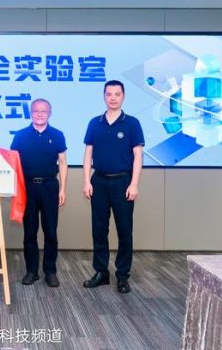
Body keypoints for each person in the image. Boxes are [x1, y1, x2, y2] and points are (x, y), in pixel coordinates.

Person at [82, 80, 144, 294]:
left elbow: (138, 156)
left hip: (123, 182)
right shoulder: (94, 123)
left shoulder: (132, 123)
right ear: (104, 96)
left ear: (123, 96)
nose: (113, 98)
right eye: (109, 94)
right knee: (99, 230)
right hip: (98, 182)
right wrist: (86, 181)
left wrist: (134, 184)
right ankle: (101, 273)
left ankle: (122, 276)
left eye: (117, 94)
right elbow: (88, 154)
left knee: (124, 231)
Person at [11, 99, 68, 287]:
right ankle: (32, 271)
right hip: (27, 187)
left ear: (49, 113)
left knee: (50, 231)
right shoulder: (20, 135)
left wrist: (63, 189)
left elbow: (63, 163)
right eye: (36, 111)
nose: (40, 114)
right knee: (30, 231)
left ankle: (50, 271)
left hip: (50, 186)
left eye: (43, 111)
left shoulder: (57, 135)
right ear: (31, 113)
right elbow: (13, 163)